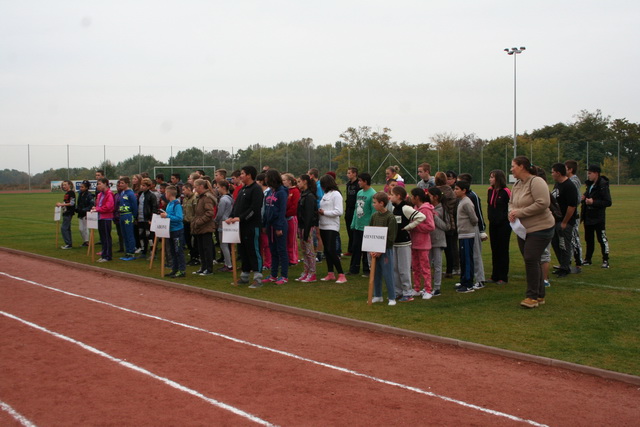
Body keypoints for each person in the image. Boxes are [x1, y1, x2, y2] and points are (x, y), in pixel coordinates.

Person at [508, 156, 555, 308]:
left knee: (530, 258)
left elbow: (543, 203)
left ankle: (532, 297)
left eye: (513, 166)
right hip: (523, 230)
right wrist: (511, 211)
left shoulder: (536, 182)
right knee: (532, 260)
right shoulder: (517, 184)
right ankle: (540, 295)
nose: (511, 169)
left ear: (522, 166)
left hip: (541, 228)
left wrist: (520, 213)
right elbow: (511, 202)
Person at [227, 166, 264, 288]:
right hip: (240, 227)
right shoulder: (243, 189)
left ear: (249, 175)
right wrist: (232, 217)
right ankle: (244, 276)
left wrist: (241, 218)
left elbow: (254, 208)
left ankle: (258, 278)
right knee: (243, 251)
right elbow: (236, 206)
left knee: (254, 250)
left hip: (252, 226)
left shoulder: (256, 190)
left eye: (242, 173)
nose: (240, 176)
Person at [391, 186, 428, 301]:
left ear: (398, 196)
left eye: (392, 194)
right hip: (394, 243)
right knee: (395, 268)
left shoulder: (405, 208)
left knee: (404, 269)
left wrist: (409, 227)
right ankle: (398, 291)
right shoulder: (393, 208)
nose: (390, 196)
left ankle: (407, 292)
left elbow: (421, 217)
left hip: (404, 243)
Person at [458, 173, 487, 288]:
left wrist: (481, 230)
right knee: (467, 256)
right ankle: (466, 278)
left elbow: (477, 215)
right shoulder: (462, 198)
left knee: (475, 254)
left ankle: (480, 280)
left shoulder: (472, 196)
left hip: (472, 230)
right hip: (465, 230)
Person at [369, 192, 398, 306]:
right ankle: (378, 295)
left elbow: (391, 237)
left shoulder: (390, 217)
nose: (373, 205)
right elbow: (370, 232)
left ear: (382, 203)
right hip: (374, 251)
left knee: (388, 273)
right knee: (376, 273)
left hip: (386, 251)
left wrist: (381, 250)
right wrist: (372, 248)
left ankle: (392, 297)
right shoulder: (374, 216)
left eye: (375, 203)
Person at [551, 163, 579, 277]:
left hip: (565, 222)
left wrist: (565, 222)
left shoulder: (569, 186)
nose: (551, 174)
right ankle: (562, 265)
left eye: (552, 172)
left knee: (564, 245)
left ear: (558, 173)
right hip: (555, 220)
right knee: (556, 243)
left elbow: (572, 206)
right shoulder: (557, 184)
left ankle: (565, 268)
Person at [581, 164, 612, 268]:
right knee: (589, 239)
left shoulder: (603, 185)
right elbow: (588, 193)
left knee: (602, 238)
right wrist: (584, 196)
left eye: (590, 173)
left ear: (596, 173)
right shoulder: (590, 184)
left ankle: (605, 260)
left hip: (598, 217)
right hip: (588, 216)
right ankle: (588, 259)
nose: (588, 175)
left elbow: (607, 202)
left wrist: (593, 202)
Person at [318, 175, 347, 283]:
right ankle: (330, 273)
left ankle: (341, 274)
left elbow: (339, 211)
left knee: (331, 249)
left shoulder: (336, 194)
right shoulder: (326, 194)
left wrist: (324, 212)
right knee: (327, 250)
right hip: (323, 225)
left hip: (332, 226)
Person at [262, 170, 289, 285]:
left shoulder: (281, 192)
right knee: (273, 250)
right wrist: (264, 224)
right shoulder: (269, 192)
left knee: (281, 250)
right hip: (270, 225)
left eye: (267, 177)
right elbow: (266, 209)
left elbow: (282, 210)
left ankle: (284, 276)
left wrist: (279, 227)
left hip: (279, 225)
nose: (265, 179)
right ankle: (273, 274)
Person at [487, 170, 512, 284]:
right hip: (493, 224)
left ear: (498, 179)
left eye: (492, 177)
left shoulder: (506, 191)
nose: (490, 179)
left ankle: (503, 276)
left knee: (503, 250)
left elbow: (511, 206)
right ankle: (494, 275)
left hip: (504, 225)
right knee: (494, 249)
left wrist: (503, 219)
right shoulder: (490, 190)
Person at [349, 173, 375, 276]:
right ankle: (354, 269)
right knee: (355, 247)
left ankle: (367, 269)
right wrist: (353, 223)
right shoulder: (359, 192)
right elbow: (356, 209)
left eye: (360, 181)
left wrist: (371, 226)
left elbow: (373, 212)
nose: (358, 182)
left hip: (366, 226)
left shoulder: (372, 194)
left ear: (365, 181)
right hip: (357, 225)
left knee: (366, 249)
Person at [454, 180, 478, 293]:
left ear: (464, 190)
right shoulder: (461, 201)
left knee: (467, 259)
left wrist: (469, 227)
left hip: (467, 234)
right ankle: (463, 281)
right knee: (463, 259)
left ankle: (468, 284)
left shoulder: (467, 202)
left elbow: (474, 218)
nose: (455, 191)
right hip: (462, 235)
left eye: (457, 189)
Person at [191, 179, 217, 276]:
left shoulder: (207, 198)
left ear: (201, 186)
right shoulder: (200, 197)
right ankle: (203, 267)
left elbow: (210, 213)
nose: (194, 188)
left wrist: (199, 221)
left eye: (196, 186)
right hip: (199, 227)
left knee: (207, 248)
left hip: (206, 227)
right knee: (201, 249)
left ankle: (209, 269)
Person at [426, 187, 448, 297]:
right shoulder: (427, 207)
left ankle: (437, 287)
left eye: (430, 195)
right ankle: (428, 287)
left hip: (438, 241)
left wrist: (433, 216)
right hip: (428, 240)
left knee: (438, 265)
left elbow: (446, 226)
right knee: (427, 264)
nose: (428, 197)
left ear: (436, 197)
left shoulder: (442, 209)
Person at [296, 174, 318, 282]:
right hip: (301, 226)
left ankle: (312, 273)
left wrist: (306, 231)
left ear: (305, 181)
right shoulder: (303, 194)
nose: (298, 184)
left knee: (309, 251)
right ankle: (306, 271)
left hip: (307, 227)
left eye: (299, 181)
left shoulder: (309, 196)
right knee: (304, 251)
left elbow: (309, 215)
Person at [437, 171, 459, 277]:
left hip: (439, 220)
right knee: (450, 247)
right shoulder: (451, 191)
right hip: (450, 220)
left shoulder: (437, 192)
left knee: (437, 248)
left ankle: (438, 269)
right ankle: (450, 269)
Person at [161, 186, 186, 278]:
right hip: (170, 230)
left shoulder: (177, 204)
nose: (165, 195)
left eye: (166, 193)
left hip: (177, 231)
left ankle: (182, 270)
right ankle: (174, 269)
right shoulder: (169, 204)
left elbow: (179, 218)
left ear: (169, 194)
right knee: (172, 251)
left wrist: (167, 216)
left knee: (178, 250)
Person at [565, 160, 584, 267]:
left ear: (570, 169)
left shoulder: (574, 181)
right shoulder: (569, 180)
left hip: (573, 214)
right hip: (569, 213)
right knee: (569, 238)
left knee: (574, 237)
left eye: (565, 168)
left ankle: (578, 261)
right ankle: (568, 260)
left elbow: (576, 199)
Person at [92, 178, 114, 262]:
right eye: (97, 184)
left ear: (105, 184)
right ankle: (104, 254)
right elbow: (99, 205)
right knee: (102, 237)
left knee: (106, 237)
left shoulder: (109, 194)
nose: (98, 186)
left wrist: (98, 209)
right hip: (100, 217)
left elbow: (109, 207)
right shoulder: (100, 194)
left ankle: (108, 256)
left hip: (106, 218)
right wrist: (96, 208)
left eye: (99, 184)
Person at [117, 177, 138, 261]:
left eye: (122, 183)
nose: (120, 185)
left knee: (129, 234)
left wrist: (134, 216)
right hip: (122, 215)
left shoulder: (130, 193)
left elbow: (134, 206)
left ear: (127, 184)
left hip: (128, 215)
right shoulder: (122, 193)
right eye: (120, 183)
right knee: (124, 234)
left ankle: (131, 253)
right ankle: (127, 252)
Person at [214, 180, 234, 272]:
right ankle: (228, 263)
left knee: (224, 245)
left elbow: (220, 213)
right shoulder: (230, 198)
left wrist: (215, 221)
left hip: (223, 223)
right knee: (226, 245)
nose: (217, 189)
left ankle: (229, 264)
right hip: (228, 221)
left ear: (223, 187)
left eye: (218, 187)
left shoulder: (223, 199)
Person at [137, 178, 158, 258]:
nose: (142, 187)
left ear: (148, 186)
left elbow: (154, 208)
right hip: (140, 218)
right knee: (141, 235)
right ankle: (143, 251)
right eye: (141, 185)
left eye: (144, 185)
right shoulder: (140, 194)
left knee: (150, 236)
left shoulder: (152, 196)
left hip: (148, 219)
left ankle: (153, 252)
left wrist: (152, 219)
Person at [282, 173, 300, 266]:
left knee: (291, 239)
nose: (283, 182)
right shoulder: (284, 191)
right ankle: (287, 258)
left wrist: (286, 213)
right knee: (285, 239)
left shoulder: (295, 191)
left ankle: (293, 259)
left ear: (289, 181)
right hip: (284, 218)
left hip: (291, 217)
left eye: (284, 180)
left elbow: (294, 206)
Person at [256, 173, 272, 272]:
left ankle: (268, 263)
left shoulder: (268, 192)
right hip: (260, 221)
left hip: (265, 221)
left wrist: (264, 221)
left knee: (266, 244)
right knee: (261, 243)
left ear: (261, 181)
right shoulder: (261, 192)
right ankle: (263, 262)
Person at [182, 182, 200, 265]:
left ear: (189, 189)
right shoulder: (185, 199)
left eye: (184, 189)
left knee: (194, 241)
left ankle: (195, 257)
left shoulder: (194, 198)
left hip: (192, 222)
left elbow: (196, 211)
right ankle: (192, 255)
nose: (183, 191)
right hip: (186, 221)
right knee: (187, 240)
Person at [56, 180, 76, 249]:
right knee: (67, 228)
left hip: (69, 212)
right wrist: (60, 204)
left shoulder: (71, 193)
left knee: (64, 228)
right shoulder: (67, 193)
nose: (64, 186)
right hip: (66, 212)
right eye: (63, 185)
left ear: (69, 185)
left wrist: (61, 204)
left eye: (65, 185)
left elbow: (72, 203)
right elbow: (66, 202)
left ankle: (68, 244)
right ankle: (69, 243)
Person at [344, 166, 359, 256]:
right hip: (348, 209)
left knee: (355, 230)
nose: (348, 174)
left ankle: (356, 248)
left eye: (349, 173)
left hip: (355, 209)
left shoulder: (358, 184)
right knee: (349, 229)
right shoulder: (348, 184)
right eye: (347, 173)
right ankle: (350, 249)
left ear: (354, 174)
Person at [76, 180, 94, 247]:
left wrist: (85, 210)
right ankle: (85, 241)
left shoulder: (89, 195)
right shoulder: (80, 194)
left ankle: (87, 241)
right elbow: (78, 203)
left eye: (82, 187)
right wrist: (77, 209)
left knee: (85, 228)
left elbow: (91, 205)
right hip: (80, 213)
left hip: (86, 213)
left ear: (86, 188)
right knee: (80, 229)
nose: (81, 188)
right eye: (80, 187)